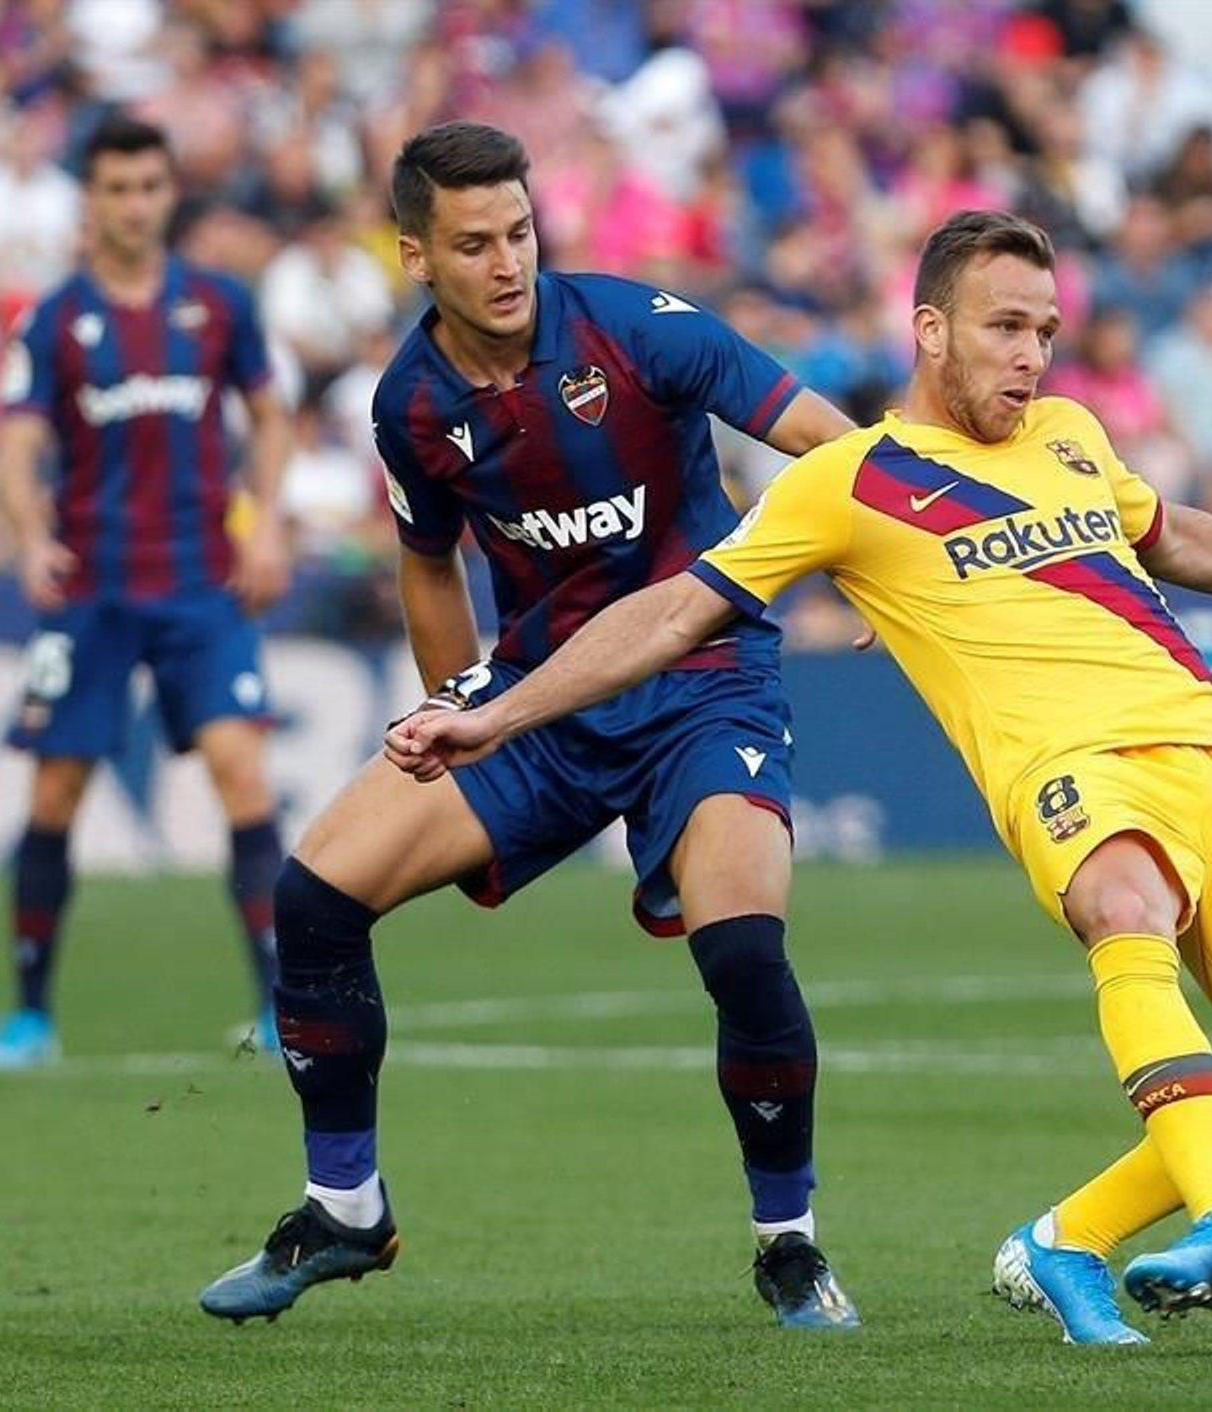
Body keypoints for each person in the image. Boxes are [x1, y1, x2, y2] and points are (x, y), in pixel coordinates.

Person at [394, 210, 1212, 1345]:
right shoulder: (846, 482)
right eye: (1004, 326)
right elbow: (676, 611)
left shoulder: (1071, 433)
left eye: (1045, 329)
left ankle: (1065, 1238)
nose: (1030, 354)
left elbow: (1166, 535)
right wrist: (497, 709)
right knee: (1127, 901)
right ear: (930, 329)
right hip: (1070, 769)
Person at [196, 122, 860, 1330]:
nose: (508, 263)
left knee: (743, 950)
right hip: (542, 698)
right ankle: (344, 1208)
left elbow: (832, 443)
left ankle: (790, 1245)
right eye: (473, 243)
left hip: (702, 680)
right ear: (414, 255)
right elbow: (429, 565)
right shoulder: (410, 404)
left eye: (519, 232)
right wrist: (459, 708)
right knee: (314, 899)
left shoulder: (637, 327)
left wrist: (873, 568)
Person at [0, 115, 293, 1069]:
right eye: (116, 188)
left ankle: (280, 1009)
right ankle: (31, 1014)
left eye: (149, 186)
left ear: (167, 194)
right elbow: (19, 443)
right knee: (56, 791)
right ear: (92, 200)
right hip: (94, 588)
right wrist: (30, 536)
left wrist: (268, 520)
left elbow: (273, 417)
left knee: (243, 774)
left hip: (203, 582)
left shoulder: (220, 305)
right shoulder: (54, 319)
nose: (134, 204)